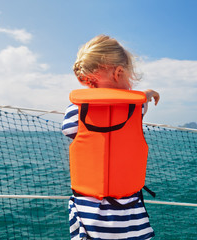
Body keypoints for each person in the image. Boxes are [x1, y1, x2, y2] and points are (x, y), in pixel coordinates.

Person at [62, 34, 159, 240]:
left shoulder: (75, 110)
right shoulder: (137, 108)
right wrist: (147, 94)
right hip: (129, 214)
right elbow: (142, 102)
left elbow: (69, 131)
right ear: (119, 72)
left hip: (88, 213)